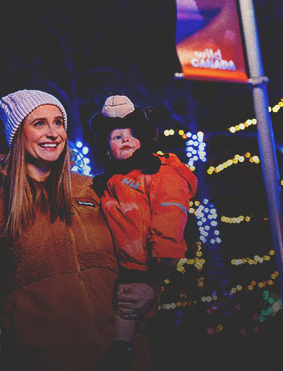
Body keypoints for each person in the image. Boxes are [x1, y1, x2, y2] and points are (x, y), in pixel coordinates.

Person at [0, 89, 157, 371]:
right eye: (39, 123)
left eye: (59, 122)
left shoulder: (96, 189)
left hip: (124, 359)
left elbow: (139, 253)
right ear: (18, 135)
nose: (54, 132)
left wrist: (151, 289)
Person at [89, 94, 198, 371]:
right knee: (124, 303)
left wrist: (162, 257)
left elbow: (170, 211)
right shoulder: (109, 182)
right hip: (121, 263)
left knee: (132, 303)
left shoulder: (160, 173)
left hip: (148, 260)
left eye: (128, 135)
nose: (123, 140)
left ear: (142, 139)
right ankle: (122, 347)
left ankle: (126, 348)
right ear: (106, 148)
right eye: (115, 138)